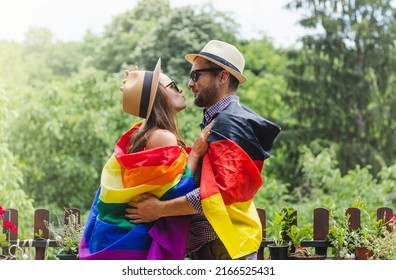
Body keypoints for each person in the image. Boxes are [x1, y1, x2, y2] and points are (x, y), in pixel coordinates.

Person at [125, 40, 281, 260]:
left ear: (222, 77)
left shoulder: (231, 123)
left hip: (227, 247)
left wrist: (159, 209)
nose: (189, 84)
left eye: (196, 75)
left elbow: (217, 194)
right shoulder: (216, 122)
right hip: (214, 247)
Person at [79, 59, 213, 260]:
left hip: (113, 236)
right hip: (133, 242)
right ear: (159, 95)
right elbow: (175, 189)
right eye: (173, 85)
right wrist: (195, 154)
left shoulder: (138, 132)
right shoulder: (162, 136)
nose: (182, 89)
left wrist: (138, 85)